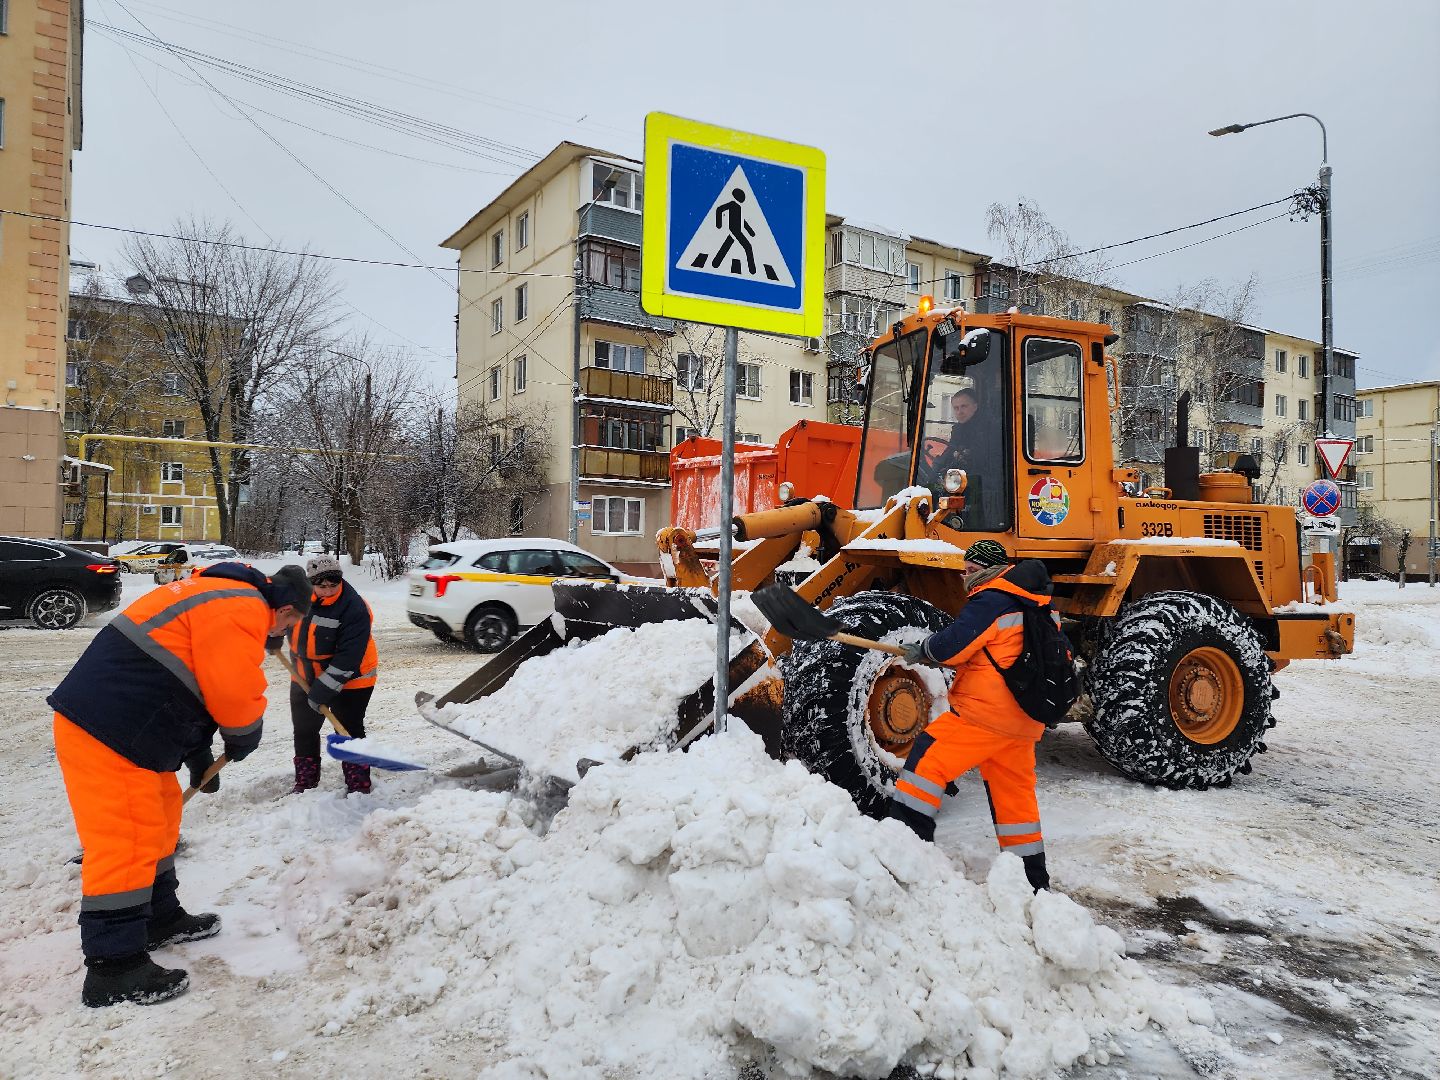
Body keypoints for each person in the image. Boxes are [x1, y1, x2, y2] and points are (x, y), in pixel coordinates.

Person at [48, 562, 312, 1007]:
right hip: (107, 728)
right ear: (284, 608)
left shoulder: (216, 593)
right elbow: (231, 684)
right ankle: (114, 966)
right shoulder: (240, 605)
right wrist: (244, 729)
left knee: (162, 815)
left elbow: (185, 670)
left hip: (132, 726)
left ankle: (158, 918)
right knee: (126, 840)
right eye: (290, 623)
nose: (284, 633)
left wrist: (194, 748)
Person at [886, 538, 1055, 893]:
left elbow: (955, 646)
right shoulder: (1039, 605)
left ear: (993, 570)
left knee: (927, 762)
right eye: (966, 570)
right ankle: (1032, 882)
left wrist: (924, 649)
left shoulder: (991, 599)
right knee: (1015, 799)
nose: (968, 577)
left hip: (985, 716)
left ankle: (902, 851)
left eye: (974, 570)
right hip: (1023, 722)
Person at [282, 555, 378, 795]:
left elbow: (349, 655)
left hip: (352, 677)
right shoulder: (299, 597)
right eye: (321, 586)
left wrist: (324, 690)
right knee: (304, 728)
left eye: (333, 585)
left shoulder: (354, 607)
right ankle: (305, 781)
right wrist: (272, 633)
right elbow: (281, 618)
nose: (327, 591)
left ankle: (358, 785)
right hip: (305, 673)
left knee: (347, 728)